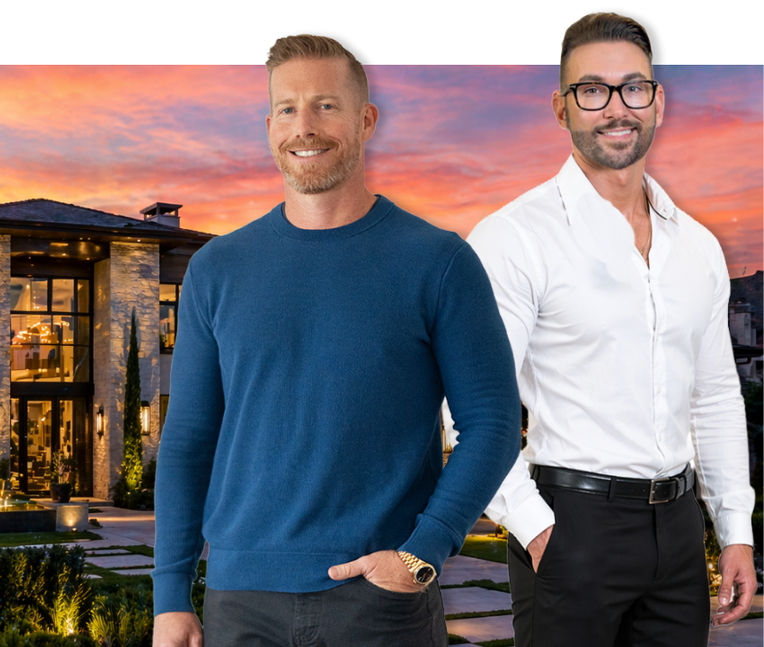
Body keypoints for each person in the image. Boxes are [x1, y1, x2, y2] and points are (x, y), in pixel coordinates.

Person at [152, 34, 521, 647]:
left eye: (326, 105)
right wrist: (170, 597)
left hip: (381, 603)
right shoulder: (217, 268)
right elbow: (190, 439)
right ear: (270, 125)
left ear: (366, 119)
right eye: (289, 109)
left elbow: (494, 423)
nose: (306, 126)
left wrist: (422, 553)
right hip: (240, 602)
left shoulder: (439, 261)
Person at [466, 13, 757, 646]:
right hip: (571, 523)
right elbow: (470, 406)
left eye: (633, 88)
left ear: (658, 101)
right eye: (592, 90)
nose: (616, 108)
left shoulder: (698, 247)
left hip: (680, 534)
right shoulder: (514, 238)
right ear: (561, 107)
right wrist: (534, 527)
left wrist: (734, 529)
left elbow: (713, 396)